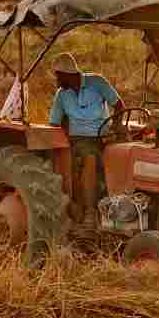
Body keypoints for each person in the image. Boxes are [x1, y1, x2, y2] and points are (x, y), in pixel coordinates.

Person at [48, 52, 124, 225]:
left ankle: (122, 205)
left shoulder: (97, 83)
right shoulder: (61, 95)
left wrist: (116, 127)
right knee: (89, 156)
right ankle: (90, 211)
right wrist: (66, 141)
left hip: (103, 135)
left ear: (68, 75)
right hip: (78, 140)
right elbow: (55, 123)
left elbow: (119, 105)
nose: (56, 80)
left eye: (58, 76)